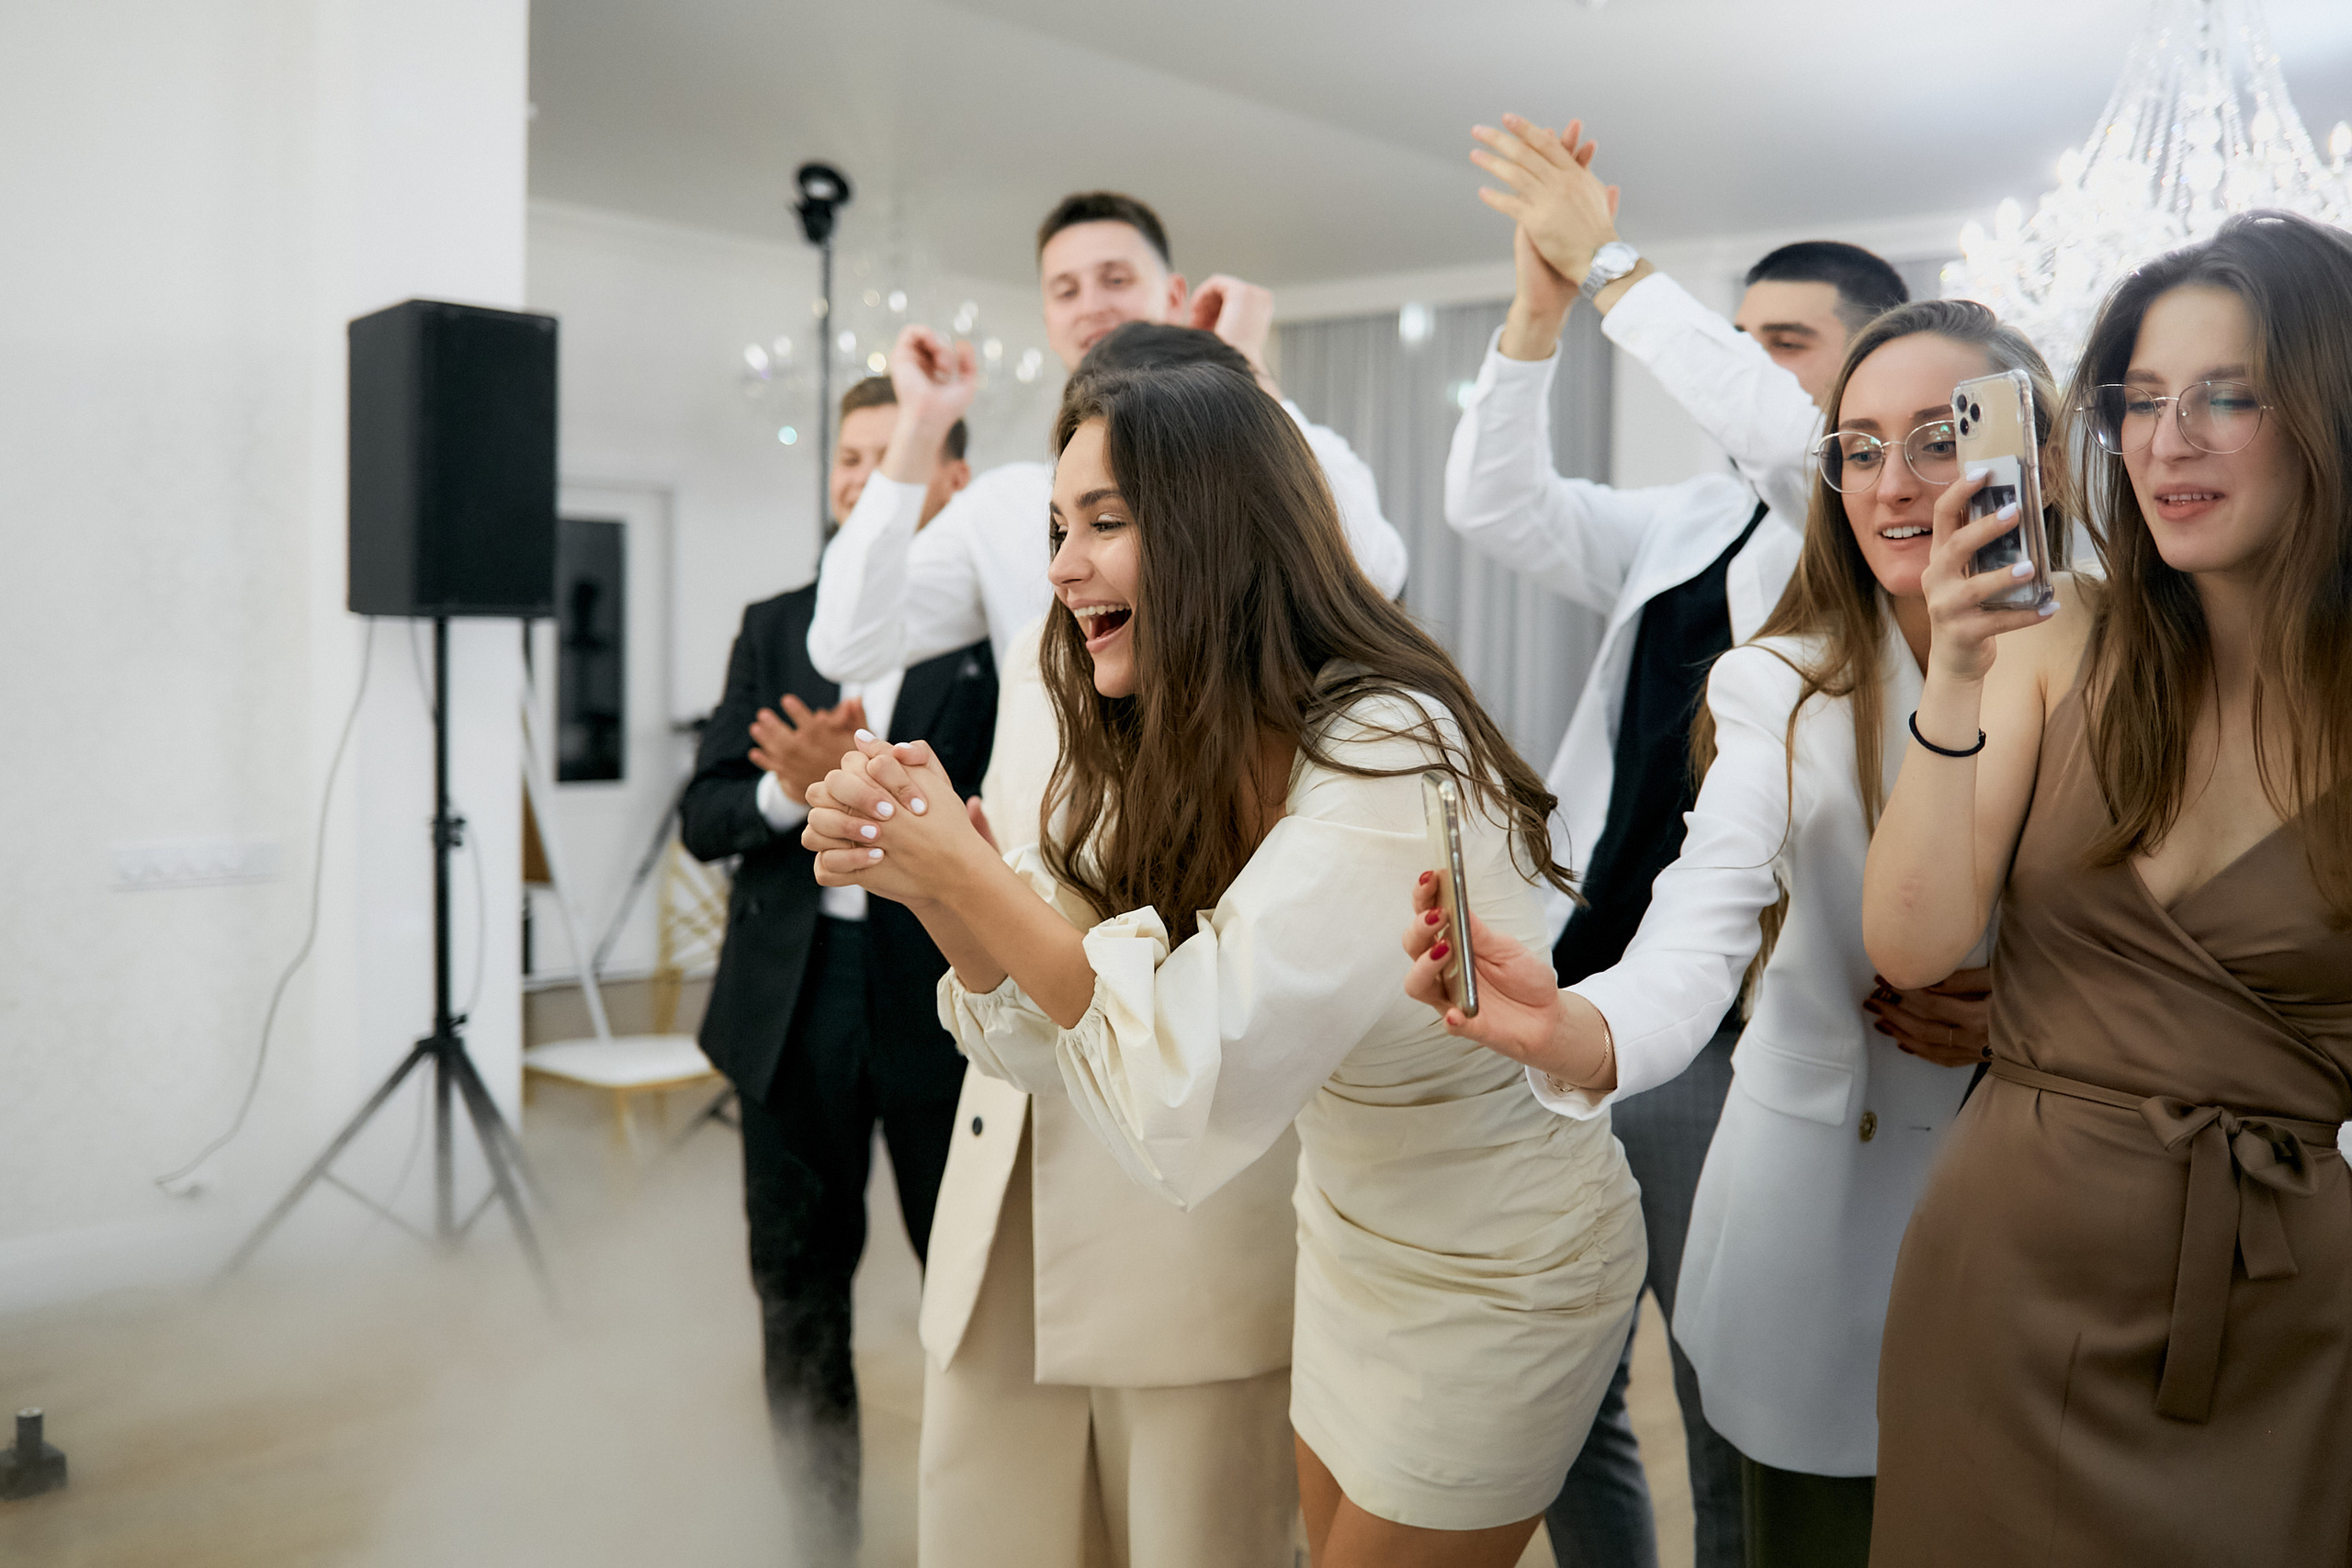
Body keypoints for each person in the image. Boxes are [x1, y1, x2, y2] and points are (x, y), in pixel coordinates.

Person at [803, 360, 1645, 1567]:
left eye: (1104, 524)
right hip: (1348, 1235)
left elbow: (1176, 1070)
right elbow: (1049, 1033)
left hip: (1498, 1265)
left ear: (1217, 532)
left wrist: (974, 880)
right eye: (1056, 530)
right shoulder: (1190, 736)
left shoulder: (1387, 748)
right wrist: (939, 889)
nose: (1062, 568)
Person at [1412, 298, 2066, 1568]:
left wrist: (2042, 1007)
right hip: (1819, 1214)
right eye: (1858, 448)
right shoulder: (1778, 678)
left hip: (2044, 1214)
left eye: (1941, 438)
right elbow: (1705, 913)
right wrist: (1581, 1029)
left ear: (2028, 452)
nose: (1893, 483)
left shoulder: (2113, 653)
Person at [810, 193, 1408, 1568]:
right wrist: (917, 428)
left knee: (1187, 1500)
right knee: (996, 1501)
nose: (1069, 565)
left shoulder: (1334, 695)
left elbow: (1355, 581)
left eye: (1116, 275)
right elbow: (849, 637)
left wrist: (1244, 393)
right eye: (1064, 283)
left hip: (1188, 1061)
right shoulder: (1010, 512)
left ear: (1177, 289)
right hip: (1021, 1037)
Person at [1863, 212, 2352, 1563]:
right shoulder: (2057, 639)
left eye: (2226, 397)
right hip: (2005, 1278)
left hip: (2281, 1306)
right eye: (2139, 401)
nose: (2167, 443)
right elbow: (1912, 945)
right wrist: (1954, 672)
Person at [679, 376, 995, 1561]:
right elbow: (705, 814)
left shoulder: (998, 637)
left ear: (951, 480)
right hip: (791, 1005)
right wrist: (787, 791)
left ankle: (980, 1532)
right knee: (797, 1290)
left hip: (944, 1008)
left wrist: (869, 790)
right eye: (849, 459)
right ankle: (821, 1543)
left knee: (969, 1295)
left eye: (889, 455)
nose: (863, 480)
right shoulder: (776, 626)